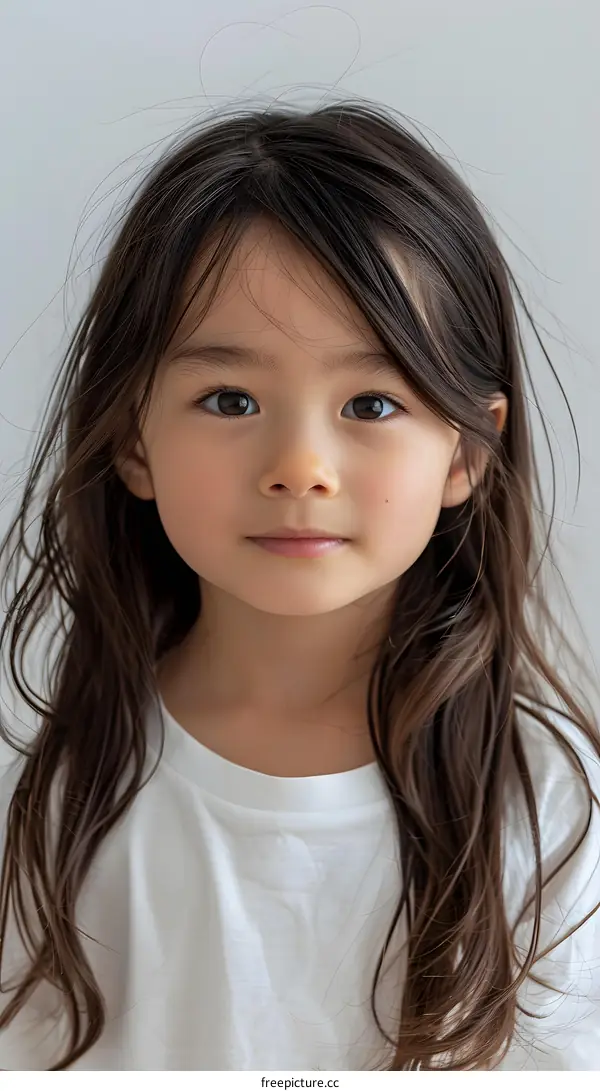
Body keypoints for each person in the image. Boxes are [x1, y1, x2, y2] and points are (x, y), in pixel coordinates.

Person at [0, 100, 598, 1073]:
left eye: (372, 401)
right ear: (131, 437)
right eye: (230, 399)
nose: (300, 465)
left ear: (467, 451)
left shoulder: (552, 808)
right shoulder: (53, 791)